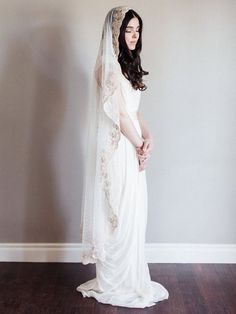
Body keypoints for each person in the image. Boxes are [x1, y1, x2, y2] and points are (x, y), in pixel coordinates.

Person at [76, 6, 169, 308]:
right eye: (128, 30)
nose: (133, 36)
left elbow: (134, 110)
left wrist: (149, 138)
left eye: (137, 30)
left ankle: (131, 278)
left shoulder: (128, 66)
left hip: (133, 146)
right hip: (118, 151)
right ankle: (115, 281)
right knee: (118, 213)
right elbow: (118, 115)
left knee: (135, 214)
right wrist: (139, 144)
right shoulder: (106, 67)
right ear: (115, 32)